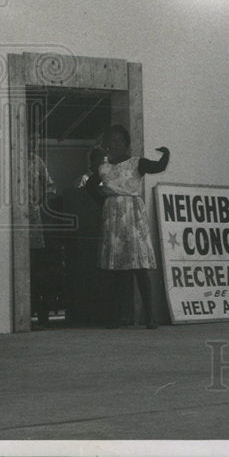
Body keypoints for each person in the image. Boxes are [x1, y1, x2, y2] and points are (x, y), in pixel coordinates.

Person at [88, 124, 170, 329]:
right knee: (115, 269)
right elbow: (90, 186)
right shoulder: (103, 168)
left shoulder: (136, 163)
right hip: (113, 218)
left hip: (133, 216)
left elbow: (158, 167)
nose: (116, 144)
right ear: (106, 146)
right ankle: (117, 317)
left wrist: (166, 154)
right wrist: (105, 201)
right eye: (111, 141)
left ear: (126, 143)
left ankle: (150, 317)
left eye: (120, 140)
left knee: (139, 266)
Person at [27, 128, 57, 328]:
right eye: (31, 139)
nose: (34, 144)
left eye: (36, 140)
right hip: (16, 218)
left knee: (38, 268)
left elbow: (50, 187)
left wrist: (41, 204)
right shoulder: (14, 160)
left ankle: (42, 314)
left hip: (35, 220)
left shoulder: (38, 162)